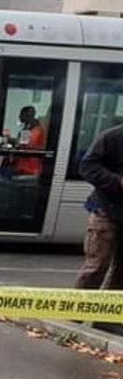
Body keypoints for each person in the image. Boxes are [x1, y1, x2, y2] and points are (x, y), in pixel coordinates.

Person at [75, 122, 123, 332]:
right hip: (106, 212)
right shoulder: (113, 137)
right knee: (97, 266)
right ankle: (74, 314)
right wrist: (118, 182)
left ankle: (107, 319)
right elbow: (87, 167)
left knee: (121, 272)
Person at [8, 106, 45, 175]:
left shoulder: (35, 131)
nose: (19, 116)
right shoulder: (28, 128)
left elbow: (22, 147)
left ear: (28, 115)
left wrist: (12, 141)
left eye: (21, 114)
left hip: (27, 169)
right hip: (22, 166)